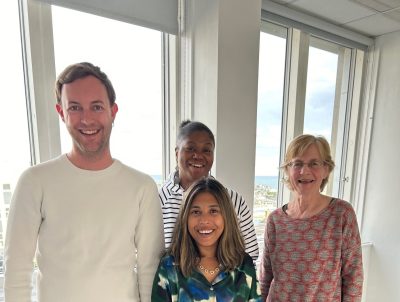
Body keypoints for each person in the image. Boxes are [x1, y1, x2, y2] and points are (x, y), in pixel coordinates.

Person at [4, 62, 164, 302]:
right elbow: (17, 271)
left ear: (113, 111)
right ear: (61, 112)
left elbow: (149, 271)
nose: (87, 119)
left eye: (97, 107)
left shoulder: (142, 187)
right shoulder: (34, 182)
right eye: (75, 107)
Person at [259, 134, 363, 301]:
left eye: (314, 163)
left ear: (326, 169)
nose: (304, 171)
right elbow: (266, 277)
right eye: (297, 163)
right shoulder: (275, 220)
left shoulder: (341, 214)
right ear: (287, 170)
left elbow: (354, 277)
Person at [159, 120, 259, 261]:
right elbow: (150, 260)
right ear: (177, 153)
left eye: (206, 150)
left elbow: (250, 255)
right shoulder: (158, 201)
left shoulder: (233, 200)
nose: (198, 155)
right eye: (190, 148)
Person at [152, 177, 262, 301]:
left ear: (227, 216)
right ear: (185, 218)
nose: (204, 220)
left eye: (213, 211)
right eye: (196, 212)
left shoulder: (243, 264)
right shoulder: (169, 266)